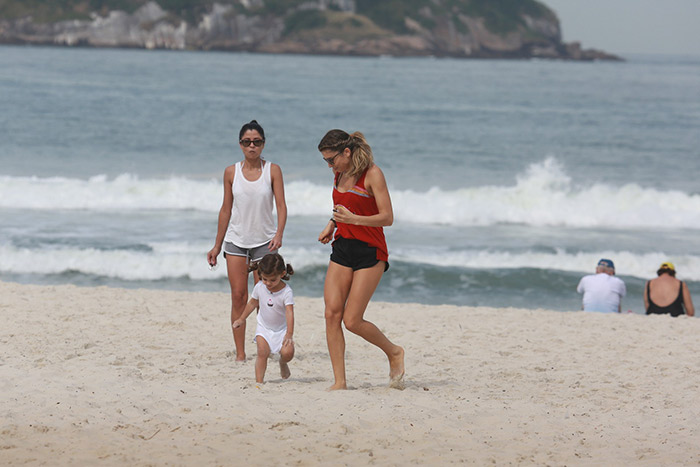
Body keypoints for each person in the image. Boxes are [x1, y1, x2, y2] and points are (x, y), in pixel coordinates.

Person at [317, 129, 405, 390]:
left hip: (370, 251)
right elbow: (343, 206)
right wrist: (332, 223)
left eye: (332, 159)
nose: (330, 166)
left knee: (352, 320)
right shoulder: (338, 173)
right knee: (332, 313)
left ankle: (394, 352)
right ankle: (340, 382)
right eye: (326, 162)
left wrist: (353, 219)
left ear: (347, 152)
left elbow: (387, 217)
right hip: (343, 246)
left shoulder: (373, 174)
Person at [207, 120, 287, 361]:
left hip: (264, 242)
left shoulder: (273, 170)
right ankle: (240, 353)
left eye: (257, 141)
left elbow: (282, 206)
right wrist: (217, 245)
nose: (252, 146)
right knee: (239, 297)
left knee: (265, 296)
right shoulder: (231, 172)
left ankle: (268, 346)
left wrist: (279, 234)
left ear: (263, 144)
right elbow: (225, 209)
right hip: (236, 242)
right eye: (247, 142)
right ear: (240, 144)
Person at [233, 253, 295, 383]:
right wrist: (242, 318)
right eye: (264, 279)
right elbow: (252, 303)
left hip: (281, 330)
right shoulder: (260, 287)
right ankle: (259, 382)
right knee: (262, 352)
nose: (268, 283)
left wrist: (289, 334)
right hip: (264, 328)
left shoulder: (286, 292)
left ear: (282, 274)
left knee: (288, 353)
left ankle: (282, 363)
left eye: (273, 280)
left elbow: (289, 312)